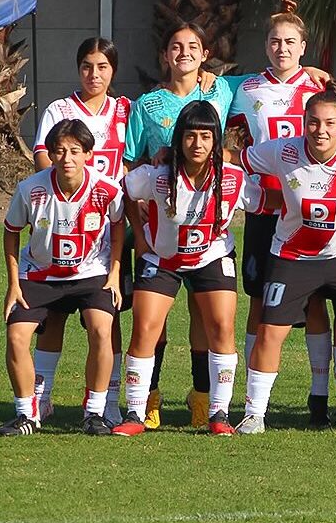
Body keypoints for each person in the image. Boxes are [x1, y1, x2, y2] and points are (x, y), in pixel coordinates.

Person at [234, 90, 336, 436]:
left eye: (329, 123)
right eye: (313, 122)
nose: (320, 130)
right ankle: (254, 414)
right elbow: (237, 159)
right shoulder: (283, 151)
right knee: (270, 331)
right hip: (293, 257)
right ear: (303, 123)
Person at [226, 0, 336, 428]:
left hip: (318, 211)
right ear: (265, 45)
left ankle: (323, 394)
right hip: (267, 210)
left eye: (290, 41)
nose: (282, 48)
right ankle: (249, 400)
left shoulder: (321, 89)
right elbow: (236, 144)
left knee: (321, 300)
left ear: (303, 46)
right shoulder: (245, 89)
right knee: (260, 301)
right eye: (275, 41)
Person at [112, 101, 271, 437]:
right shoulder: (157, 175)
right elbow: (123, 191)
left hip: (212, 256)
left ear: (216, 142)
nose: (197, 144)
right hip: (162, 259)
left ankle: (219, 413)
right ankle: (136, 414)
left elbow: (263, 202)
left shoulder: (233, 178)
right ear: (178, 140)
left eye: (205, 136)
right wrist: (140, 237)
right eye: (189, 136)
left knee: (222, 328)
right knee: (145, 329)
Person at [122, 21, 236, 429]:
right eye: (175, 45)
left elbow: (270, 82)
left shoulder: (222, 89)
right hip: (162, 228)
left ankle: (206, 401)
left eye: (193, 46)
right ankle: (145, 402)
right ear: (164, 55)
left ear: (205, 54)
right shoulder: (148, 104)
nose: (184, 52)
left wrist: (311, 71)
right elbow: (131, 167)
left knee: (211, 322)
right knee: (154, 323)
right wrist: (140, 233)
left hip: (208, 239)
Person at [30, 37, 131, 426]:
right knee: (53, 315)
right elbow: (42, 154)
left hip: (110, 228)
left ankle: (107, 399)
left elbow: (134, 157)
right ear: (78, 68)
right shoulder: (59, 108)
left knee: (109, 314)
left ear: (113, 71)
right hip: (61, 223)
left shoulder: (125, 109)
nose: (94, 74)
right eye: (87, 66)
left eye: (102, 67)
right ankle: (42, 395)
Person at [0, 119, 124, 436]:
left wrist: (114, 270)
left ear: (88, 154)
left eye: (74, 151)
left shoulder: (106, 188)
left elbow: (120, 223)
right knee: (15, 337)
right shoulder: (31, 189)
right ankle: (26, 415)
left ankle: (94, 413)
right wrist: (13, 283)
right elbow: (11, 231)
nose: (67, 158)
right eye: (59, 151)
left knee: (101, 329)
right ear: (51, 155)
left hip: (91, 273)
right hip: (39, 274)